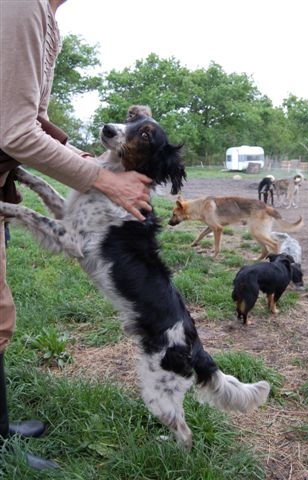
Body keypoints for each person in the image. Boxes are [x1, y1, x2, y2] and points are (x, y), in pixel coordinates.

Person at [0, 0, 152, 470]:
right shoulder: (22, 6)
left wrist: (83, 158)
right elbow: (15, 133)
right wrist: (105, 180)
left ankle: (0, 429)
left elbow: (32, 118)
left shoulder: (47, 21)